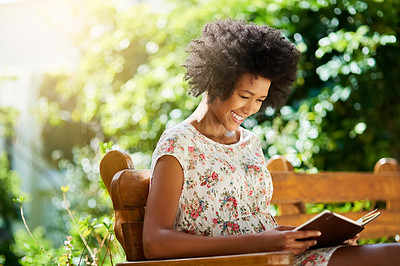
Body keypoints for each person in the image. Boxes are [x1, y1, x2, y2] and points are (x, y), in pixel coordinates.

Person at [142, 19, 400, 266]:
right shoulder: (179, 145)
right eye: (245, 95)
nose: (250, 108)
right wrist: (258, 243)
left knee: (393, 254)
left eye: (259, 100)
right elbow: (155, 242)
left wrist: (302, 238)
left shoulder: (250, 143)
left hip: (275, 257)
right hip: (237, 262)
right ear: (216, 79)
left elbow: (256, 222)